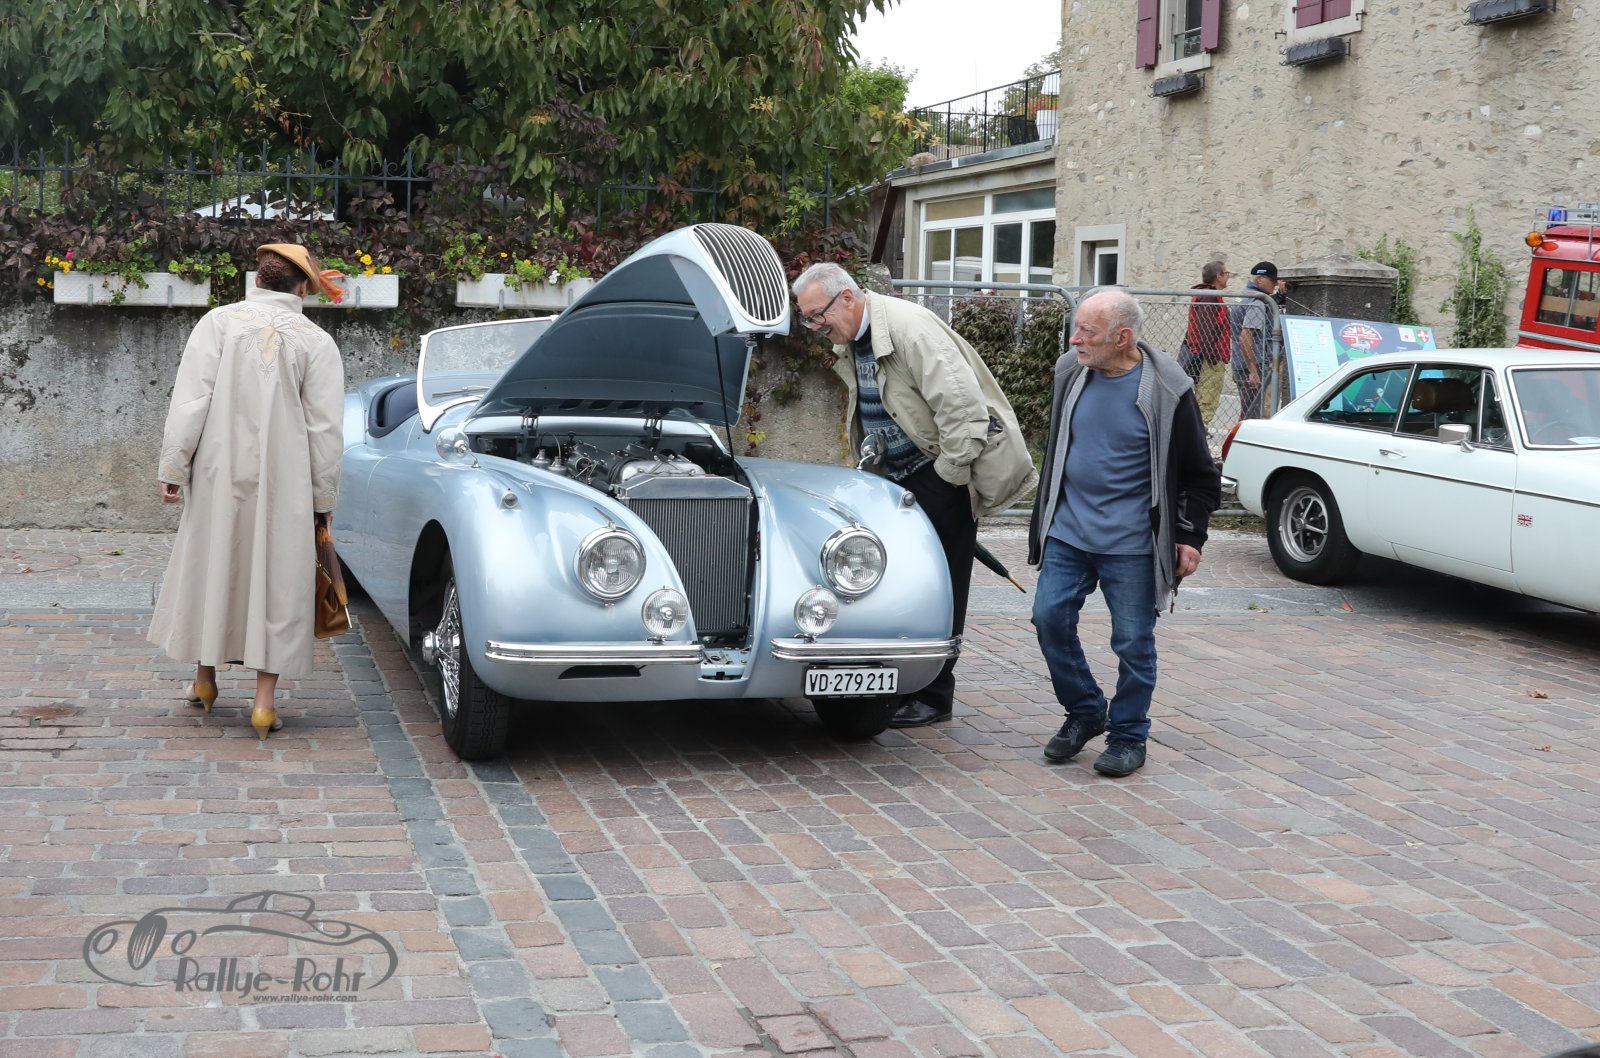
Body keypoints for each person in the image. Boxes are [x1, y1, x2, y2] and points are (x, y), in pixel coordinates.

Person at [792, 263, 1036, 729]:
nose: (815, 326)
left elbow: (964, 411)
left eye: (817, 314)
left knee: (940, 585)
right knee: (897, 580)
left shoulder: (910, 328)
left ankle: (935, 695)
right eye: (807, 318)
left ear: (847, 298)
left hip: (936, 476)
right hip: (897, 478)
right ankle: (902, 684)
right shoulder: (856, 336)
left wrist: (945, 479)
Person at [148, 243, 346, 742]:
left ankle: (204, 680)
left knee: (214, 561)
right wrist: (323, 499)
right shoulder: (316, 341)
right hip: (287, 478)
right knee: (277, 577)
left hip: (218, 469)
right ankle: (263, 703)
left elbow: (191, 401)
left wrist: (174, 465)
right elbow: (325, 430)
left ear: (257, 279)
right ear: (303, 288)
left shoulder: (218, 323)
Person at [1027, 288, 1220, 777]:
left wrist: (1189, 536)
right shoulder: (1071, 372)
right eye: (1076, 328)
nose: (1074, 339)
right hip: (1068, 531)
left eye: (1086, 331)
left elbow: (1200, 475)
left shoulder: (1169, 390)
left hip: (1133, 542)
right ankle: (1086, 709)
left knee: (1133, 641)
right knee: (1048, 618)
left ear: (1122, 337)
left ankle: (1129, 735)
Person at [1176, 260, 1231, 424]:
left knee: (1204, 399)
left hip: (1207, 356)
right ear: (1218, 276)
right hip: (1209, 359)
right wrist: (1213, 358)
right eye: (1226, 273)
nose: (1228, 277)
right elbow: (1205, 330)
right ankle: (1200, 432)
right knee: (1207, 400)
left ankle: (1198, 430)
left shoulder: (1207, 295)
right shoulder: (1209, 296)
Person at [1231, 261, 1280, 420]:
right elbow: (1246, 337)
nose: (1275, 284)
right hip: (1253, 365)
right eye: (1272, 280)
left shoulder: (1242, 297)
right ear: (1259, 279)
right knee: (1253, 415)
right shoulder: (1257, 302)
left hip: (1240, 363)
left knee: (1248, 411)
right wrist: (1253, 371)